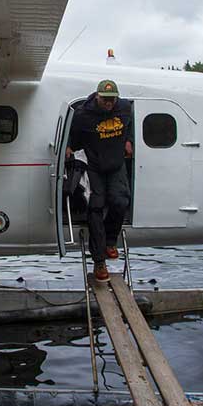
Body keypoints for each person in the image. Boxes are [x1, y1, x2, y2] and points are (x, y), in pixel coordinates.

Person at [66, 80, 133, 281]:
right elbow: (73, 135)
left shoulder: (124, 108)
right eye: (105, 99)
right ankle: (99, 262)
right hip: (94, 165)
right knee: (96, 207)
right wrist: (68, 146)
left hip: (116, 164)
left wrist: (129, 140)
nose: (109, 103)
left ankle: (111, 242)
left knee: (120, 201)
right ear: (97, 96)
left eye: (112, 99)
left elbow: (129, 126)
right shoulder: (83, 115)